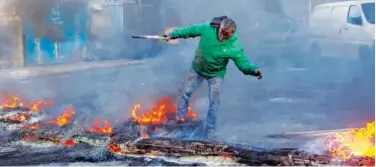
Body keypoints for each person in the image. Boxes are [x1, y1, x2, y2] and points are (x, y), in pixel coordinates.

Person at [163, 16, 262, 136]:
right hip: (197, 69)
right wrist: (173, 34)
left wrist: (253, 70)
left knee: (214, 101)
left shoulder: (235, 46)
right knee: (185, 92)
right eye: (222, 33)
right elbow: (189, 31)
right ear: (219, 28)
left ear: (231, 33)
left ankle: (210, 128)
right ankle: (180, 118)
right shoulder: (207, 28)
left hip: (215, 74)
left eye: (226, 35)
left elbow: (243, 65)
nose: (222, 37)